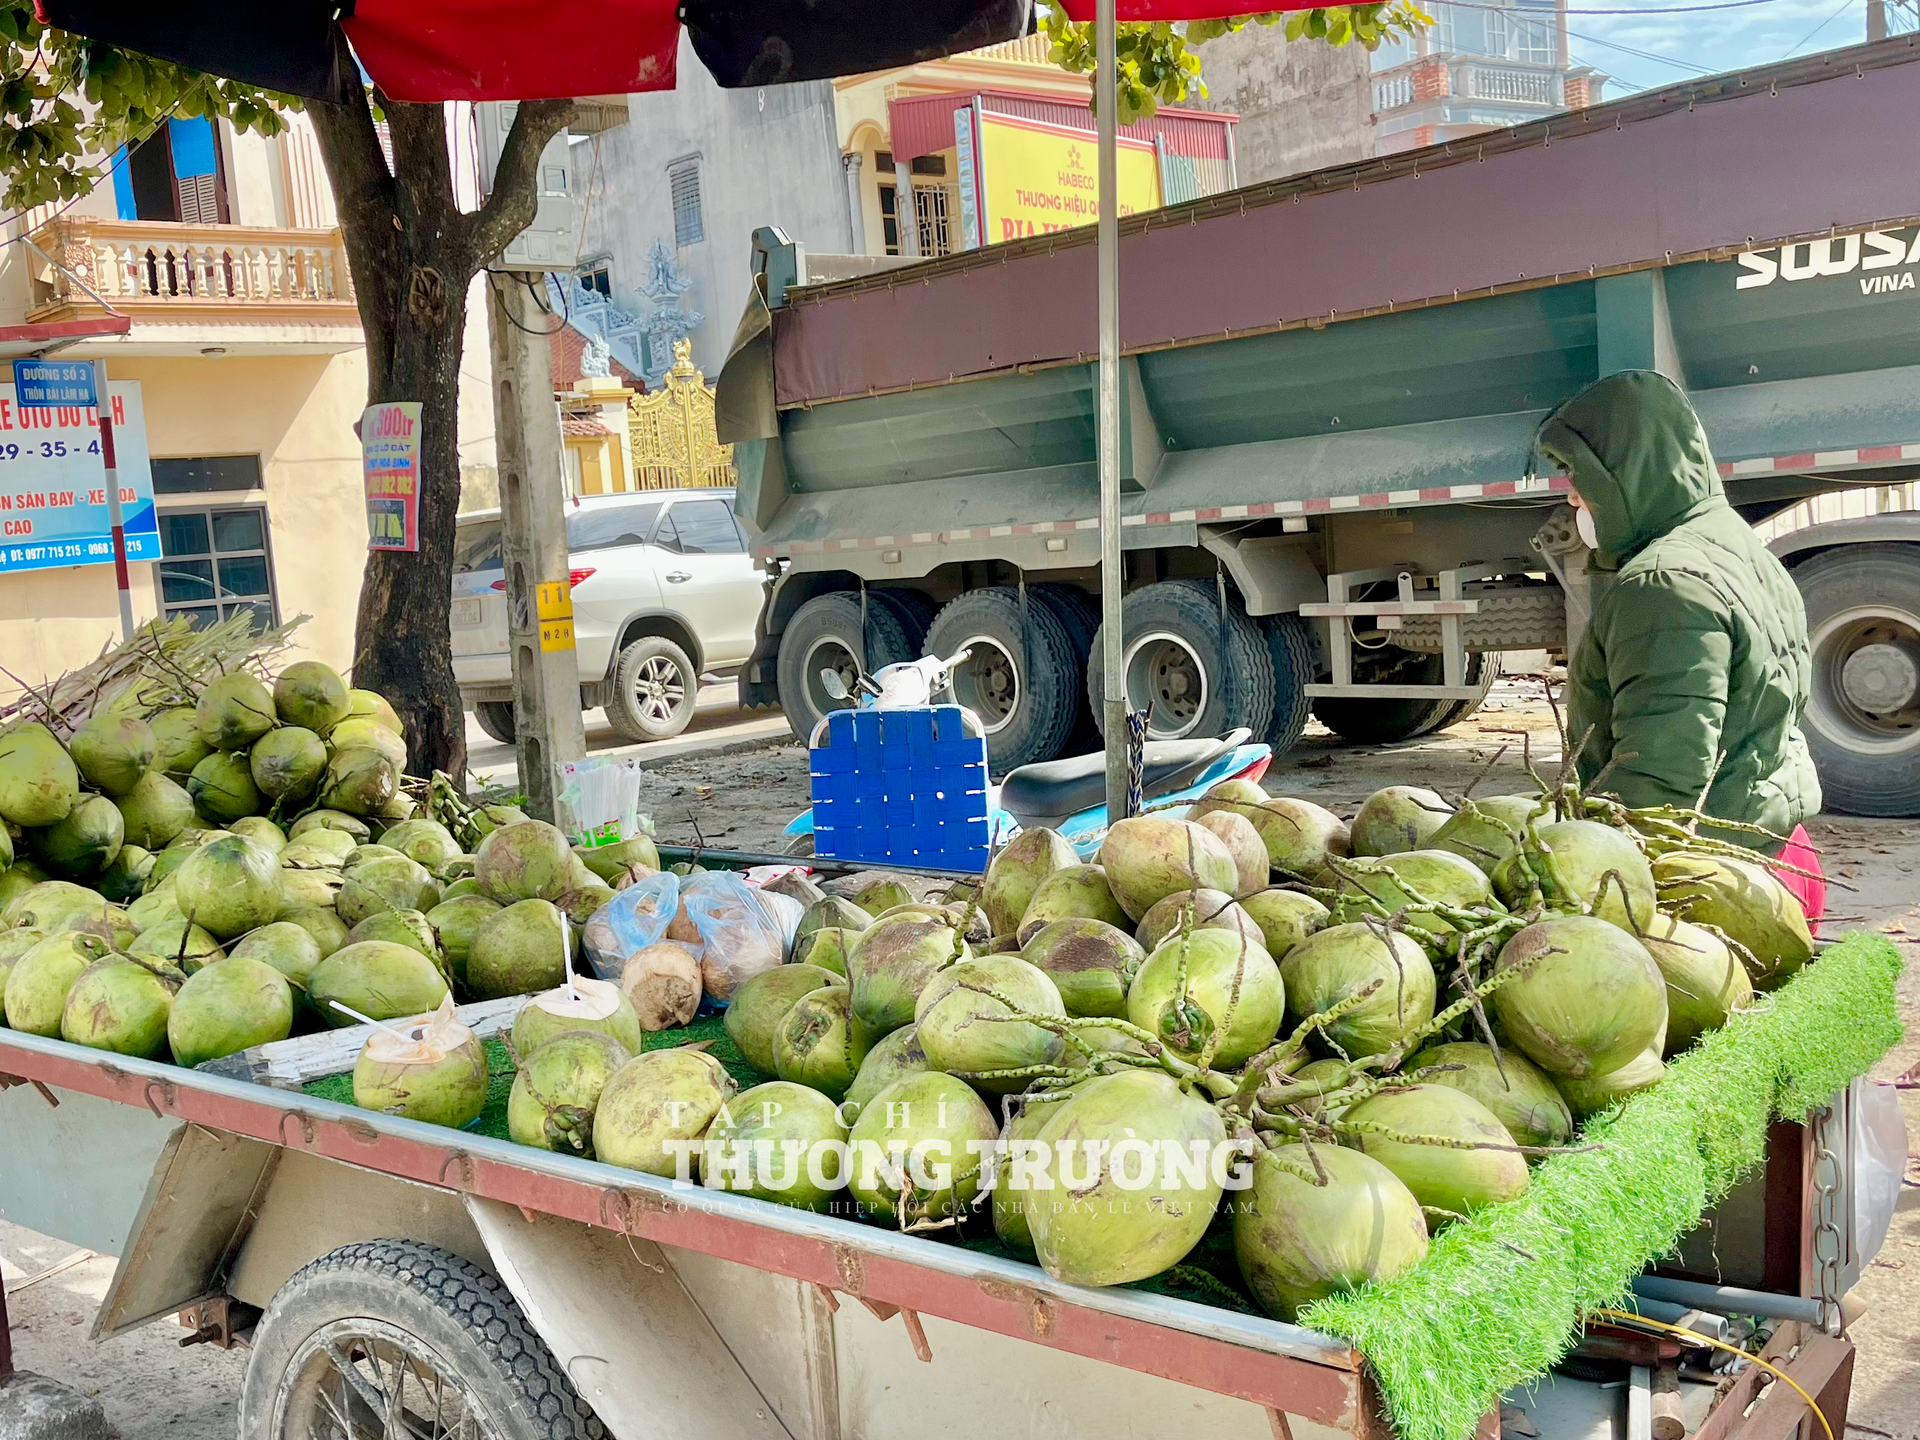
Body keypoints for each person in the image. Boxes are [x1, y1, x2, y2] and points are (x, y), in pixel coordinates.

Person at [1535, 370, 1822, 872]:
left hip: (1705, 874)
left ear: (1625, 472)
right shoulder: (1742, 550)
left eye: (1577, 474)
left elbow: (1659, 779)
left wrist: (1612, 881)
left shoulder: (1663, 585)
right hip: (1771, 846)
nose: (1572, 497)